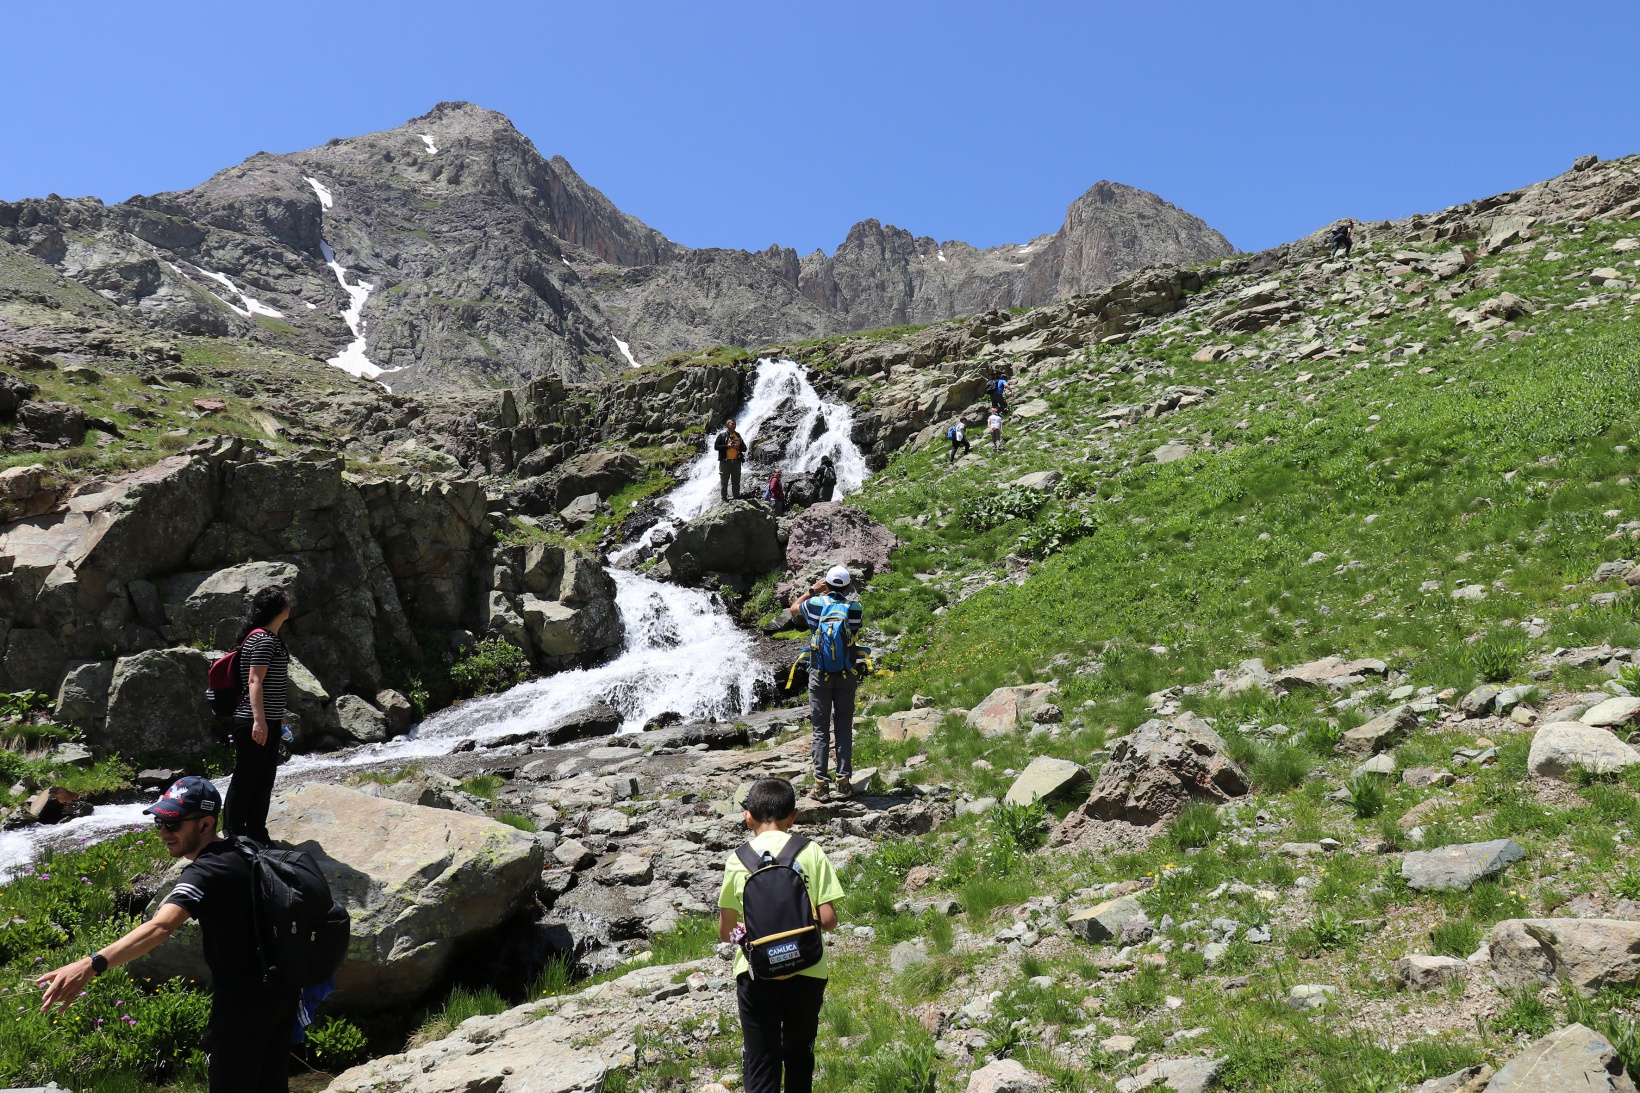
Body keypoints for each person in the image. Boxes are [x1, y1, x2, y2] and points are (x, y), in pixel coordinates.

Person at [37, 776, 298, 1091]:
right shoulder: (242, 848)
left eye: (172, 824)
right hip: (280, 991)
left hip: (242, 1007)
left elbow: (160, 927)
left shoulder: (206, 871)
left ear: (205, 825)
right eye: (160, 821)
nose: (162, 833)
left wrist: (91, 964)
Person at [718, 777, 844, 1093]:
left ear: (748, 816)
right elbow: (828, 921)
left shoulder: (737, 860)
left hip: (756, 973)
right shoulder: (811, 851)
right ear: (793, 817)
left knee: (761, 1061)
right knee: (799, 1055)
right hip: (808, 969)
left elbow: (726, 932)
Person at [789, 565, 863, 796]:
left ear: (826, 584)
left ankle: (821, 785)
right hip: (845, 675)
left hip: (819, 675)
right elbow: (854, 632)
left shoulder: (815, 604)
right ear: (849, 587)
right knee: (843, 727)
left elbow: (793, 609)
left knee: (820, 730)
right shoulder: (854, 607)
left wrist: (812, 590)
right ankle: (844, 782)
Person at [227, 586, 291, 844]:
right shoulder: (264, 640)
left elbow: (269, 684)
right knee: (247, 778)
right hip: (254, 721)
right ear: (280, 609)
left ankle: (256, 832)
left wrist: (276, 716)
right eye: (287, 601)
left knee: (263, 778)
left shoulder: (266, 638)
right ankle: (234, 833)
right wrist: (260, 720)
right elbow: (255, 681)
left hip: (268, 719)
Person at [715, 419, 749, 502]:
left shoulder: (738, 435)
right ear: (727, 425)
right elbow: (716, 447)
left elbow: (744, 448)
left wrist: (738, 447)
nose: (734, 425)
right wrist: (727, 446)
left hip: (736, 461)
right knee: (724, 480)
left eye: (735, 424)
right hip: (725, 461)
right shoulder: (722, 436)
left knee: (736, 480)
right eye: (732, 424)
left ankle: (736, 496)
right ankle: (724, 498)